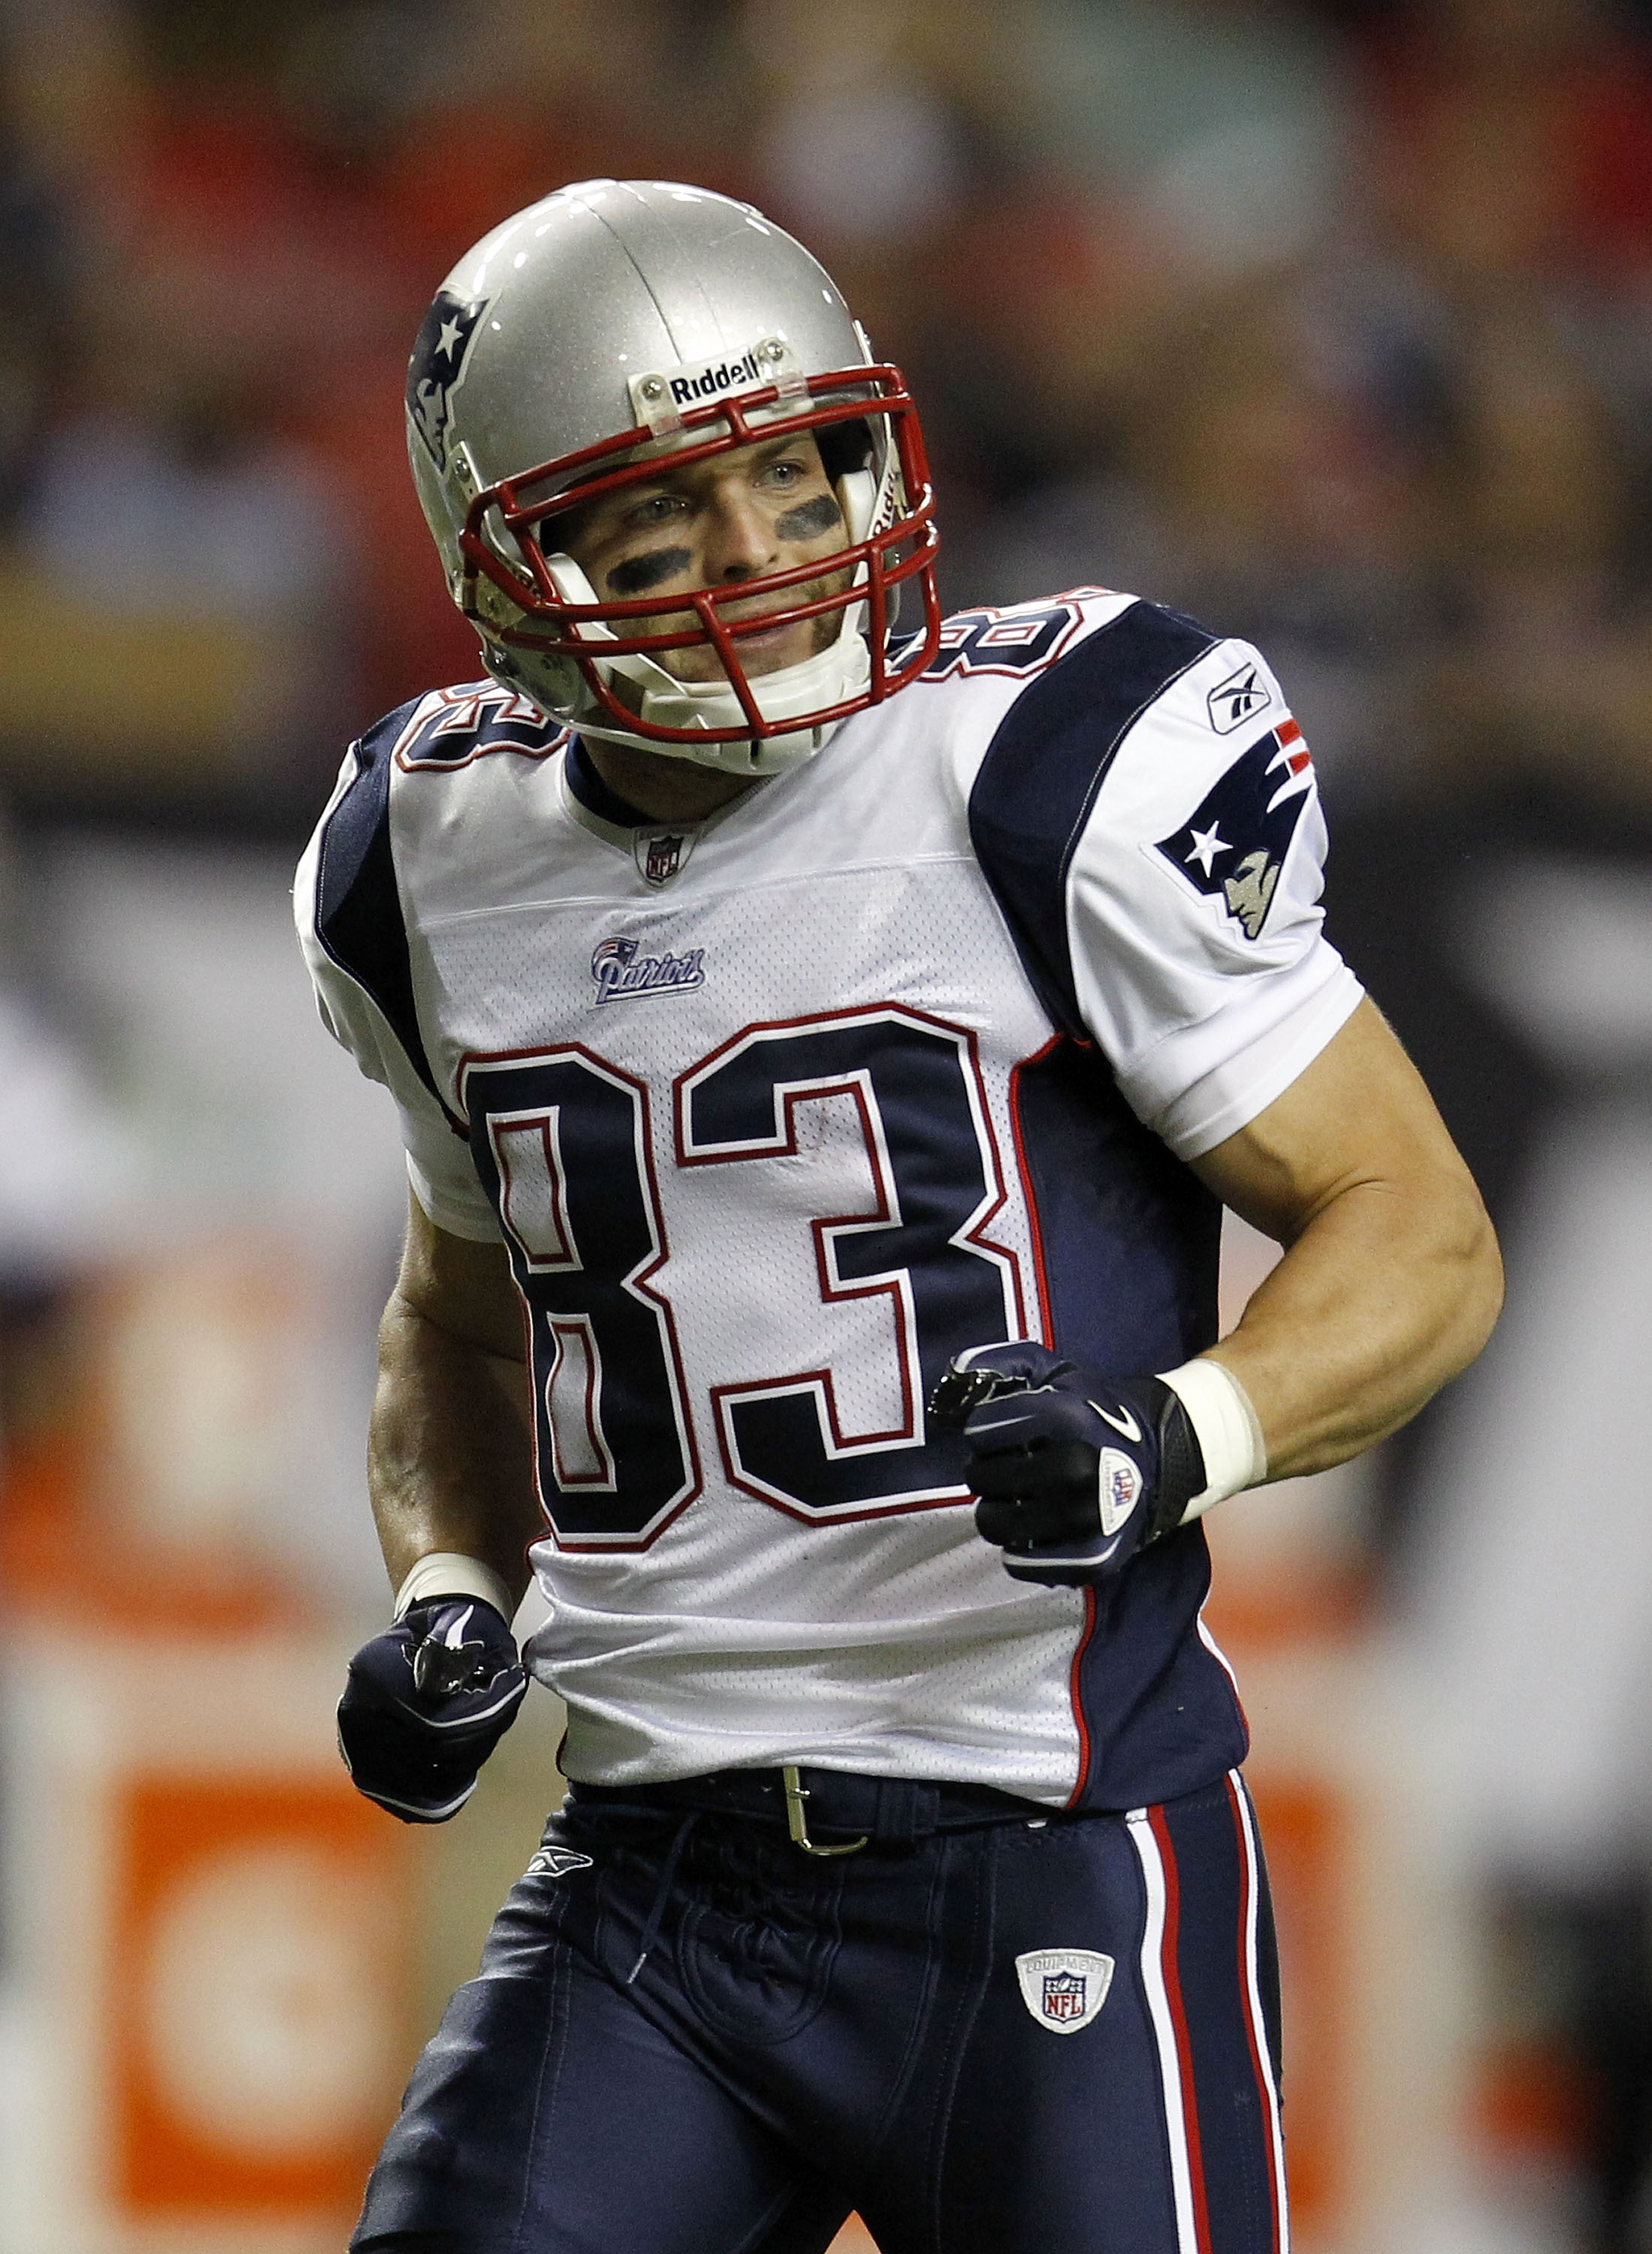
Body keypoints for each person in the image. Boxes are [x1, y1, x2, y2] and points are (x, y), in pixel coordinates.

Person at [295, 179, 1502, 2254]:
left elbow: (1417, 1227)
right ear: (515, 567)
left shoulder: (1040, 766)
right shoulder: (424, 856)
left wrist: (1174, 1435)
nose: (760, 562)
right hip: (653, 1877)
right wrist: (451, 1596)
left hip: (1041, 1837)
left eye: (794, 470)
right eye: (663, 520)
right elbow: (461, 1325)